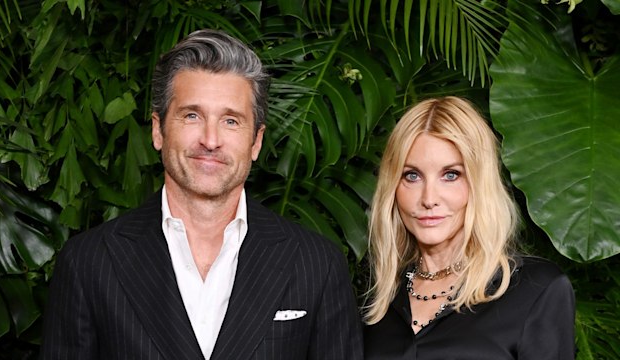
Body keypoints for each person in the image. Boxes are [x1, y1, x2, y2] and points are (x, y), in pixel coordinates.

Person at [40, 29, 363, 360]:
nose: (210, 140)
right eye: (192, 115)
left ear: (256, 142)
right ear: (158, 129)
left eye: (231, 121)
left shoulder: (317, 265)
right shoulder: (88, 264)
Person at [363, 96, 575, 359]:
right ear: (392, 187)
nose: (429, 199)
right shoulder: (378, 297)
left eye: (451, 175)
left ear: (479, 183)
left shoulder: (537, 290)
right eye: (412, 176)